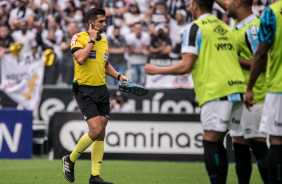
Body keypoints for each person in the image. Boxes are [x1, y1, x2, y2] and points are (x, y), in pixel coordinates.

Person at [145, 0, 246, 183]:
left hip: (217, 90)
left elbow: (186, 65)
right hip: (238, 88)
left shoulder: (194, 28)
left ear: (193, 5)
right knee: (225, 139)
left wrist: (156, 70)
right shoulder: (223, 26)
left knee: (210, 141)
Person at [62, 8, 129, 184]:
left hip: (102, 90)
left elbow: (105, 65)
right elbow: (80, 59)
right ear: (91, 23)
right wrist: (91, 40)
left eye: (105, 21)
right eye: (100, 21)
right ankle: (70, 159)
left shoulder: (105, 41)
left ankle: (95, 176)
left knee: (101, 133)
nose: (104, 24)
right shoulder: (79, 38)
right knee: (95, 130)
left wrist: (119, 76)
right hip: (84, 90)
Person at [215, 0, 269, 183]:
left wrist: (232, 58)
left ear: (237, 2)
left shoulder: (253, 28)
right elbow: (228, 7)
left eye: (228, 1)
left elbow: (262, 63)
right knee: (238, 143)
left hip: (255, 95)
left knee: (257, 142)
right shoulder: (239, 25)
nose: (225, 4)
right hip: (240, 95)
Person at [244, 1, 282, 183]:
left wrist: (249, 87)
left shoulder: (272, 13)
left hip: (279, 87)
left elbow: (260, 54)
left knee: (277, 142)